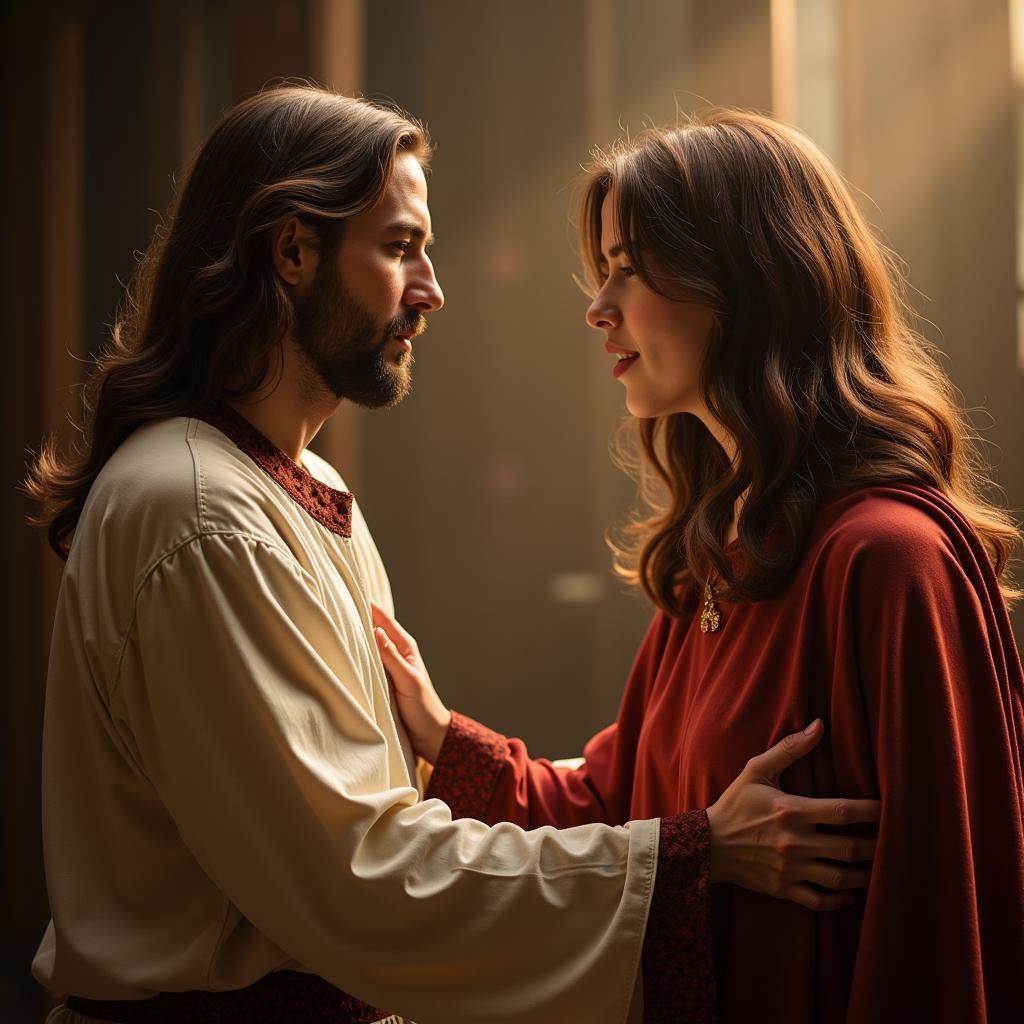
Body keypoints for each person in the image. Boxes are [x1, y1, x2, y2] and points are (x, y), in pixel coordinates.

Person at [25, 87, 881, 1024]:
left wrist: (444, 741)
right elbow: (361, 880)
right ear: (293, 250)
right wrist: (690, 855)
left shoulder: (288, 484)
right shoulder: (202, 511)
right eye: (399, 248)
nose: (432, 287)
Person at [373, 109, 1024, 1024]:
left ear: (747, 283)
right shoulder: (715, 564)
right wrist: (446, 737)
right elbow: (617, 806)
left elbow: (943, 924)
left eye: (628, 271)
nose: (598, 308)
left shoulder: (889, 561)